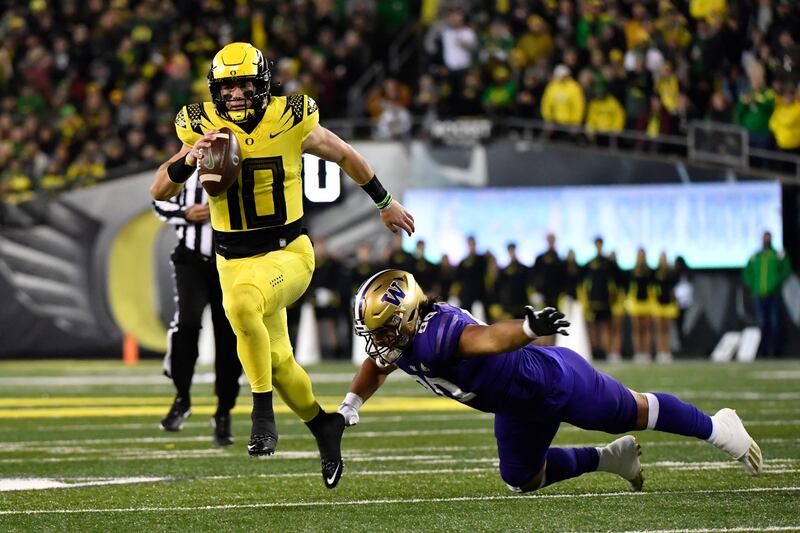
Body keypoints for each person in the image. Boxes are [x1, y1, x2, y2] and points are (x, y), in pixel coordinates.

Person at [149, 42, 415, 489]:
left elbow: (345, 153)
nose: (235, 93)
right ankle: (322, 427)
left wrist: (384, 202)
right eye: (228, 85)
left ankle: (261, 412)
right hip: (232, 258)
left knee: (241, 305)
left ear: (262, 83)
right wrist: (190, 160)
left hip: (288, 252)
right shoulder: (199, 127)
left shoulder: (290, 118)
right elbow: (159, 190)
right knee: (277, 359)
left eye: (245, 83)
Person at [338, 270, 762, 494]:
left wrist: (525, 329)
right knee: (522, 479)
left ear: (409, 315)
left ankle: (718, 427)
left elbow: (486, 338)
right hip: (516, 407)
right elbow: (377, 367)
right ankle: (611, 460)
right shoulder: (402, 343)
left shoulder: (436, 335)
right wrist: (351, 403)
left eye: (384, 330)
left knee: (633, 412)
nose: (378, 341)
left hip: (552, 381)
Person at [153, 170, 243, 446]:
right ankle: (182, 396)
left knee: (229, 337)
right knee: (187, 324)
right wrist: (184, 213)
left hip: (230, 261)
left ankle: (224, 412)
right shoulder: (185, 160)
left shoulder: (241, 160)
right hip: (191, 259)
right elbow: (158, 200)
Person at [742, 231, 793, 357]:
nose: (766, 240)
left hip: (774, 294)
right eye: (765, 238)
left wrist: (776, 282)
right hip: (759, 294)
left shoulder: (778, 255)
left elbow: (786, 270)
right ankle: (763, 351)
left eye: (768, 238)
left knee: (774, 322)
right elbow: (747, 272)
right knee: (762, 323)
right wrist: (753, 284)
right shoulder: (756, 256)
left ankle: (776, 351)